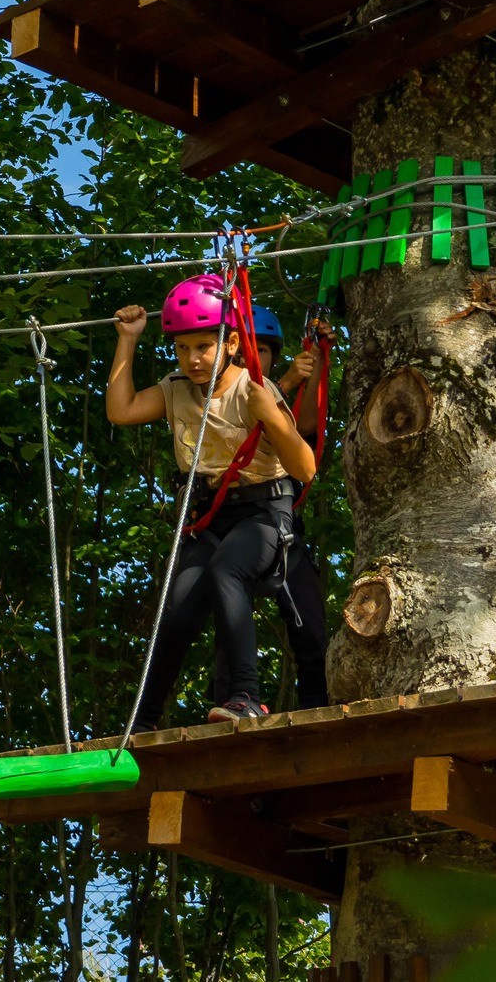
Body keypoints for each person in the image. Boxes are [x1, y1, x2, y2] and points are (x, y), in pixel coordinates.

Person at [105, 276, 321, 730]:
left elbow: (304, 468)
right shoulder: (176, 388)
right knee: (178, 608)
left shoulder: (253, 389)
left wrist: (271, 416)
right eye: (182, 349)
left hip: (263, 512)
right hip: (209, 517)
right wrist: (128, 340)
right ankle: (143, 720)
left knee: (228, 569)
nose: (193, 359)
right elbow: (121, 411)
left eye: (204, 346)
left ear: (232, 343)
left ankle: (246, 696)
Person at [205, 304, 333, 714]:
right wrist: (288, 380)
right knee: (230, 620)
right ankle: (232, 703)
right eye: (244, 351)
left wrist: (317, 363)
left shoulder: (270, 394)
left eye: (260, 351)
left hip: (276, 524)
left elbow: (304, 425)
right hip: (229, 522)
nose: (251, 360)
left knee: (308, 623)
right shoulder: (218, 397)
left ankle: (316, 705)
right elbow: (243, 415)